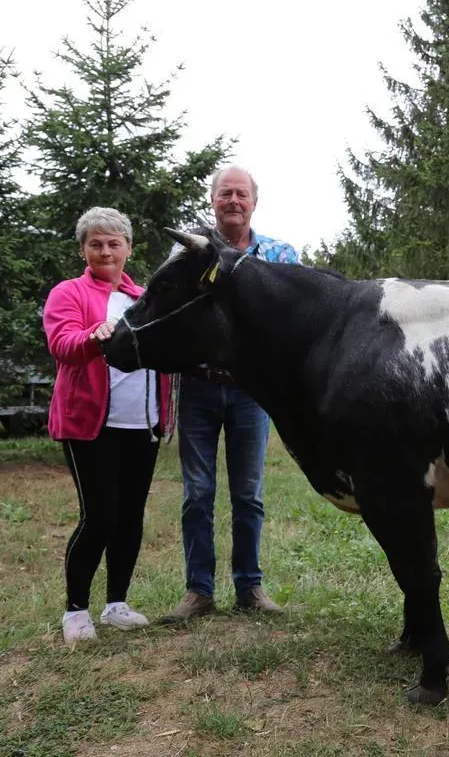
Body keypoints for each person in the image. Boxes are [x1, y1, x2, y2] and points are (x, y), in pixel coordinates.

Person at [166, 165, 300, 620]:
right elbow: (173, 309)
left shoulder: (280, 254)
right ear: (213, 200)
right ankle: (198, 592)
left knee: (248, 494)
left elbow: (291, 319)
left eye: (241, 194)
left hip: (251, 391)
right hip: (199, 388)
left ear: (254, 202)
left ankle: (250, 588)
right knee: (196, 493)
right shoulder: (186, 251)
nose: (233, 201)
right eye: (225, 193)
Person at [43, 207, 171, 644]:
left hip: (143, 424)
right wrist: (95, 336)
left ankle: (117, 603)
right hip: (90, 425)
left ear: (128, 249)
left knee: (130, 517)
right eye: (95, 243)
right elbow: (62, 344)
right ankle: (76, 610)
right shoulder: (69, 292)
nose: (105, 251)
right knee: (99, 516)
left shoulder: (144, 297)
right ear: (83, 249)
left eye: (114, 243)